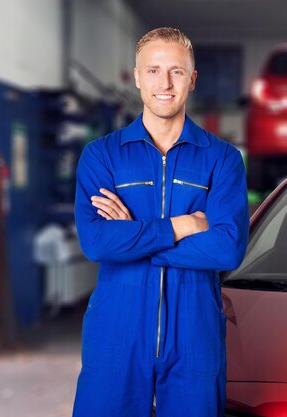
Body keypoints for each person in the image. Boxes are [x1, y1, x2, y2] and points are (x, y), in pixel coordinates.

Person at [71, 27, 249, 417]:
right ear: (136, 77)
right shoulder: (102, 156)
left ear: (192, 79)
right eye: (152, 71)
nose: (164, 83)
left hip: (194, 335)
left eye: (176, 72)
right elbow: (98, 242)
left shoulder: (222, 159)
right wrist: (182, 225)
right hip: (116, 333)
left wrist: (133, 237)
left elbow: (228, 247)